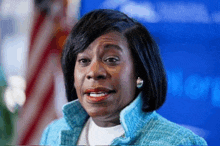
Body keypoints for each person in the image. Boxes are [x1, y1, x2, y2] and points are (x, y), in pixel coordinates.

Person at [40, 9, 207, 145]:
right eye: (84, 60)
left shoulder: (178, 142)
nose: (94, 72)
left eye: (111, 60)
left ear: (140, 72)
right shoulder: (54, 133)